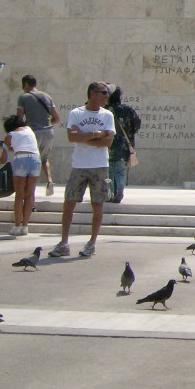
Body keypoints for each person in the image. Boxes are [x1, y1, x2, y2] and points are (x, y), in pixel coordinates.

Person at [49, 82, 116, 259]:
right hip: (79, 165)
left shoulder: (108, 115)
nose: (106, 96)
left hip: (100, 165)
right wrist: (95, 134)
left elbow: (108, 142)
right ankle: (64, 242)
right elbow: (71, 137)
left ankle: (92, 243)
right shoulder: (76, 113)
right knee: (69, 203)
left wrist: (84, 137)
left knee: (97, 204)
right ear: (92, 94)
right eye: (103, 93)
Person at [17, 74, 60, 197]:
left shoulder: (23, 97)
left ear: (25, 84)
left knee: (31, 161)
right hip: (48, 132)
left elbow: (19, 118)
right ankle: (49, 181)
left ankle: (30, 191)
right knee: (44, 159)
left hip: (32, 133)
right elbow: (56, 118)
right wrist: (45, 124)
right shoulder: (47, 97)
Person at [3, 114, 40, 235]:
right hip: (35, 159)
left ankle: (17, 226)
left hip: (21, 159)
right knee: (29, 195)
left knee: (19, 195)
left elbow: (8, 151)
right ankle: (25, 226)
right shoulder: (29, 130)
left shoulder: (10, 135)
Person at [106, 86, 141, 203]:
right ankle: (120, 188)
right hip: (124, 145)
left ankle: (110, 193)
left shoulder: (106, 110)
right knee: (120, 170)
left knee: (109, 171)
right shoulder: (128, 109)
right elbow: (136, 124)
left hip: (108, 144)